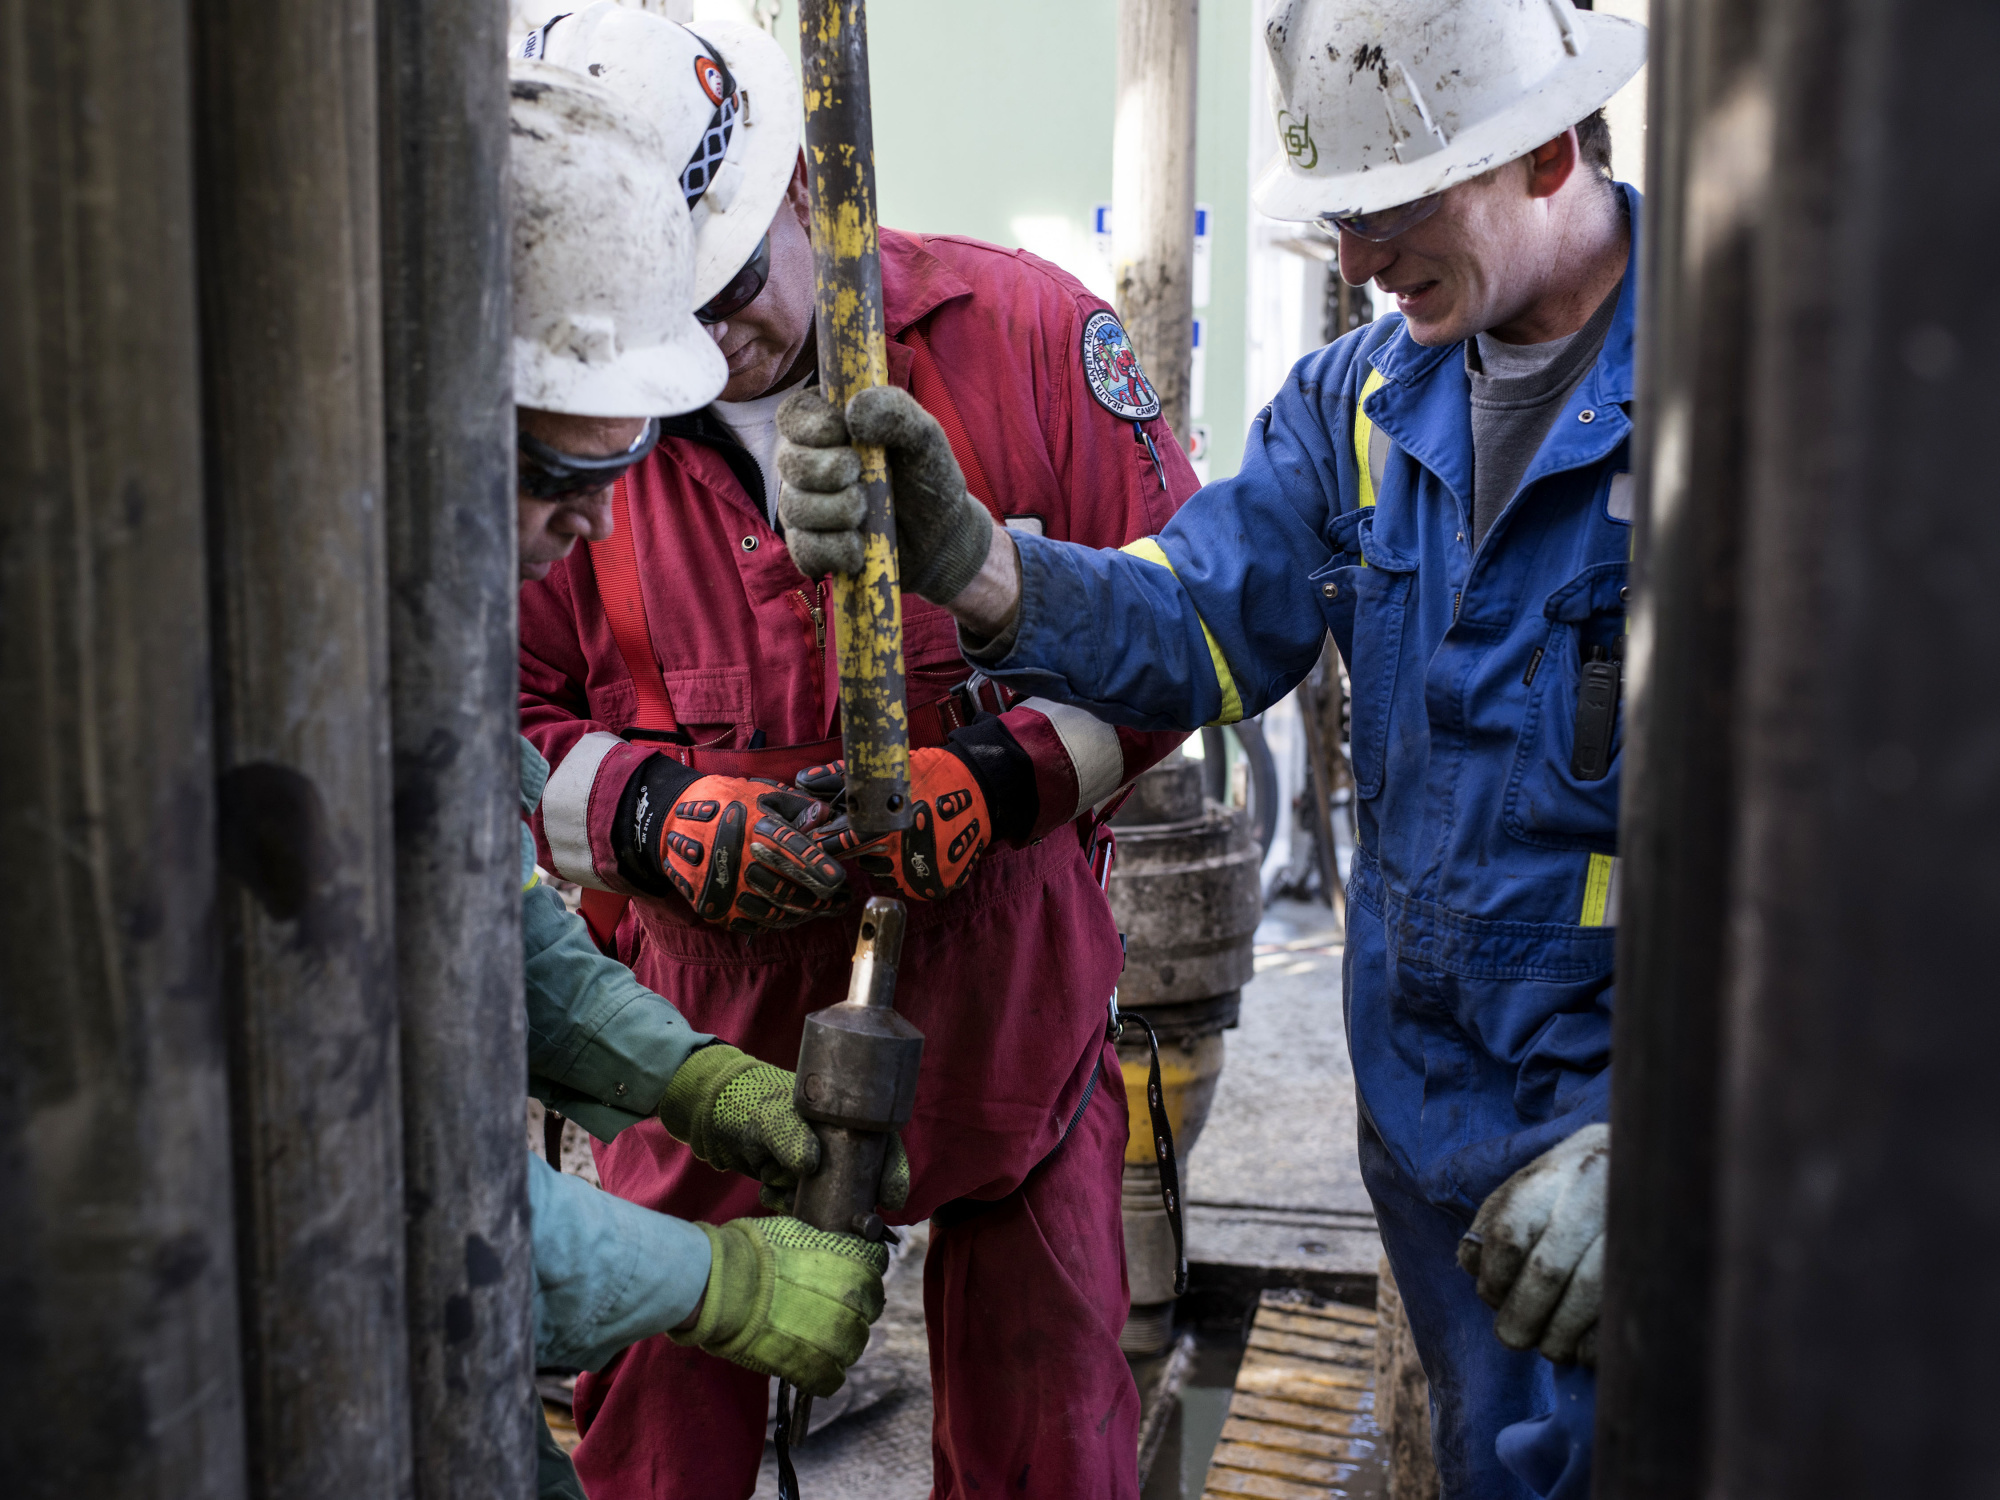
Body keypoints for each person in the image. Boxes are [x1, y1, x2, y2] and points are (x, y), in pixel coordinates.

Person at [775, 4, 1647, 1497]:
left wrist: (1672, 1141)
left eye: (1391, 207)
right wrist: (979, 564)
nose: (1359, 261)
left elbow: (1871, 849)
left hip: (1616, 1129)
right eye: (1346, 216)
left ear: (1547, 150)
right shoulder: (1363, 401)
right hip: (1429, 1117)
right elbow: (1197, 621)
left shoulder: (1758, 402)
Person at [514, 10, 1199, 1496]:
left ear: (806, 189)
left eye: (738, 287)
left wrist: (1003, 782)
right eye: (669, 311)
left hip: (1008, 1008)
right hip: (707, 1043)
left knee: (1050, 1446)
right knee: (650, 1449)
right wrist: (652, 821)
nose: (716, 343)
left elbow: (1182, 642)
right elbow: (491, 722)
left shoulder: (1028, 342)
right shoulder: (573, 419)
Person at [504, 62, 893, 1499]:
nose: (598, 517)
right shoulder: (291, 690)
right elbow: (389, 1208)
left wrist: (697, 1082)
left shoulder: (1017, 329)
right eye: (559, 474)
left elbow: (490, 934)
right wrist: (707, 1276)